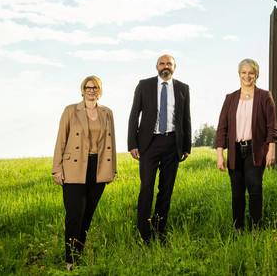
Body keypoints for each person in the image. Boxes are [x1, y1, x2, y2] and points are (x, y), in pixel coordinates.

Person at [52, 76, 116, 271]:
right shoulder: (71, 110)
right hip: (74, 167)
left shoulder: (107, 113)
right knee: (74, 214)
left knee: (87, 214)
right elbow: (60, 140)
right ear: (83, 90)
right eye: (88, 87)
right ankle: (70, 260)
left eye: (95, 87)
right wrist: (57, 168)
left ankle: (78, 255)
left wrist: (111, 169)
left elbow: (111, 143)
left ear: (99, 90)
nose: (91, 90)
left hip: (98, 168)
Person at [128, 54, 192, 242]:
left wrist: (186, 146)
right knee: (146, 187)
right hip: (149, 143)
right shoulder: (144, 85)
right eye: (162, 63)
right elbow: (134, 115)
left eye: (169, 64)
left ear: (175, 66)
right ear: (156, 66)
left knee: (166, 189)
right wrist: (133, 144)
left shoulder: (182, 88)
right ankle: (143, 233)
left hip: (173, 143)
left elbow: (185, 118)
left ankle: (159, 230)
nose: (166, 66)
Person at [216, 58, 277, 231]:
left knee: (255, 189)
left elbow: (271, 126)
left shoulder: (265, 96)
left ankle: (256, 228)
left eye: (251, 72)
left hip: (255, 150)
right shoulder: (230, 98)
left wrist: (271, 151)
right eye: (244, 72)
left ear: (256, 75)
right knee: (237, 193)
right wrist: (220, 155)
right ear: (239, 74)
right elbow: (222, 128)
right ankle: (238, 228)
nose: (247, 76)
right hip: (235, 151)